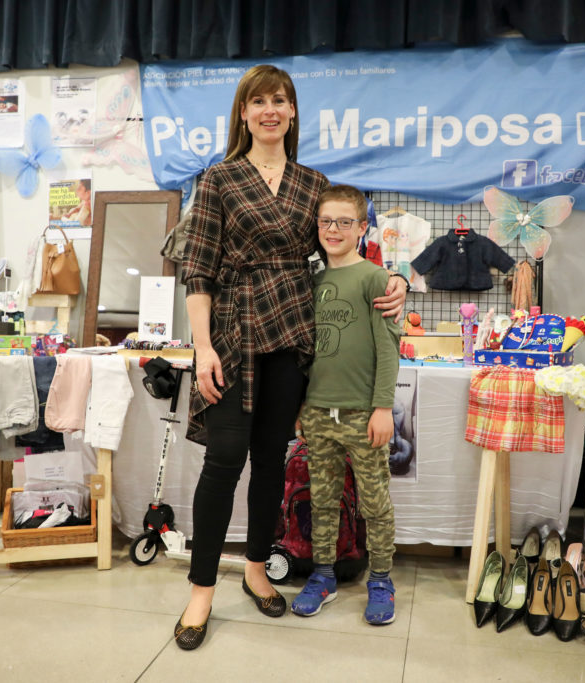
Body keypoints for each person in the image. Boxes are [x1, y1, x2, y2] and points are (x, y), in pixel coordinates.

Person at [176, 64, 408, 650]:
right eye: (259, 101)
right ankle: (201, 590)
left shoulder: (312, 182)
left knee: (271, 464)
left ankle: (257, 568)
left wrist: (396, 280)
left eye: (280, 100)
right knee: (223, 461)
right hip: (232, 336)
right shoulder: (219, 179)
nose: (270, 110)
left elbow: (341, 253)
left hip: (292, 337)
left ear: (293, 110)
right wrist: (202, 348)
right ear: (244, 112)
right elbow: (197, 271)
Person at [290, 185, 400, 625]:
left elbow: (388, 349)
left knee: (374, 502)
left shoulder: (375, 279)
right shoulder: (311, 280)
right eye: (325, 221)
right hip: (318, 413)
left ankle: (381, 580)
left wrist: (383, 407)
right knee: (323, 499)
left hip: (363, 414)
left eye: (344, 222)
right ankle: (323, 575)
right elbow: (305, 353)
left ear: (362, 228)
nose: (333, 229)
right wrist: (302, 407)